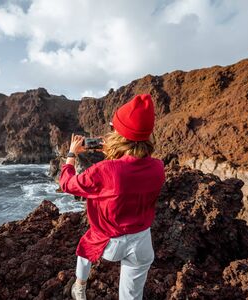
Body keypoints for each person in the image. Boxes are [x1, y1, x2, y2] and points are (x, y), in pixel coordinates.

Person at [59, 94, 166, 300]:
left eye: (113, 127)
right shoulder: (158, 167)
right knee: (131, 297)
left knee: (84, 248)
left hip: (110, 244)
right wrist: (114, 151)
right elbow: (132, 168)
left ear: (120, 134)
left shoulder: (105, 169)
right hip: (142, 242)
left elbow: (67, 184)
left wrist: (71, 155)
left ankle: (79, 288)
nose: (111, 131)